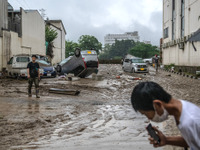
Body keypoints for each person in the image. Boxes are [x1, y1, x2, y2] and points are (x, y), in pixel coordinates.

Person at [131, 81, 200, 149]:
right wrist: (166, 140)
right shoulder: (182, 107)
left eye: (145, 114)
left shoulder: (191, 121)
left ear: (157, 104)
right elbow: (193, 141)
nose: (148, 118)